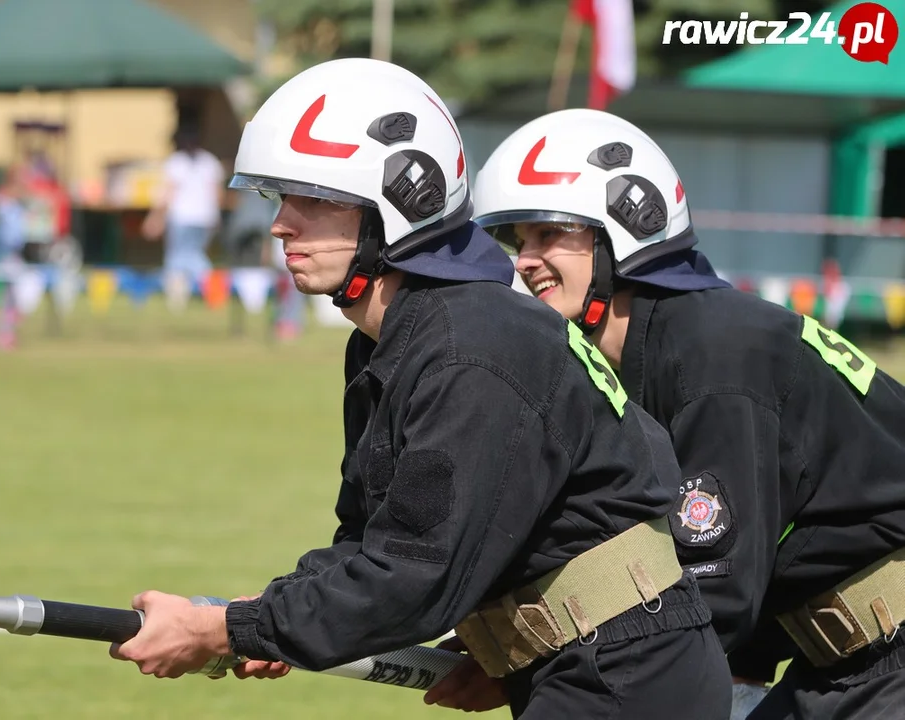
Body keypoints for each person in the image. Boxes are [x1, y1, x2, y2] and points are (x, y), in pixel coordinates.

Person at [108, 59, 730, 719]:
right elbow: (372, 538)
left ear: (402, 204)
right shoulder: (397, 340)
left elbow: (414, 574)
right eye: (277, 198)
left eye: (313, 199)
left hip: (627, 674)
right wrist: (271, 618)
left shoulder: (472, 351)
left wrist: (225, 629)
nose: (280, 225)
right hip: (574, 660)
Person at [432, 107, 905, 719]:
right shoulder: (650, 350)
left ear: (627, 223)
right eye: (519, 241)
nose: (524, 260)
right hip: (842, 658)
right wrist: (508, 642)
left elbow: (714, 590)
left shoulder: (714, 353)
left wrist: (533, 662)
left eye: (549, 233)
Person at [142, 127, 225, 289]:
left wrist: (154, 218)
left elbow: (167, 194)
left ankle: (184, 290)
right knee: (195, 254)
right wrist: (217, 216)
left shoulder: (176, 162)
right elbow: (218, 195)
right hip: (205, 217)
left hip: (182, 217)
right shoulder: (211, 162)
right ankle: (207, 286)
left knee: (178, 256)